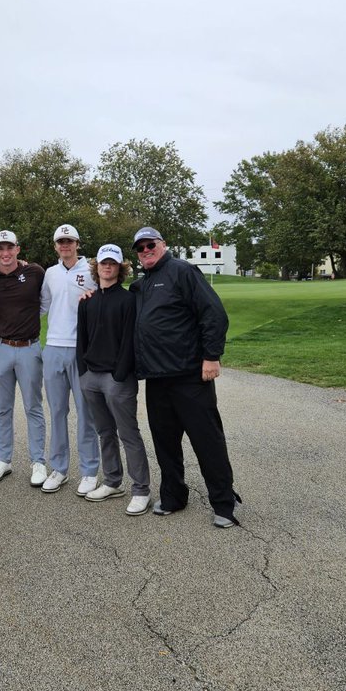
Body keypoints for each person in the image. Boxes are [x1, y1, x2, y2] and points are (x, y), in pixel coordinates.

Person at [130, 226, 241, 529]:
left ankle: (223, 504)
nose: (145, 251)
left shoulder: (182, 271)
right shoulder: (141, 285)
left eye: (150, 244)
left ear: (162, 244)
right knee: (165, 443)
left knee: (207, 441)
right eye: (139, 248)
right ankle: (173, 496)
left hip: (190, 376)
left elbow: (214, 314)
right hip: (157, 378)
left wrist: (211, 355)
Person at [77, 244, 152, 515]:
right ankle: (112, 481)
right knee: (105, 432)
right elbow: (81, 340)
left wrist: (120, 374)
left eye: (112, 263)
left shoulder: (128, 300)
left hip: (117, 378)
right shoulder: (87, 301)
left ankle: (141, 489)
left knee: (128, 433)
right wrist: (83, 372)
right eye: (103, 263)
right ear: (96, 267)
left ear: (120, 268)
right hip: (91, 377)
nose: (107, 267)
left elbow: (131, 341)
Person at [39, 223, 100, 495]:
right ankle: (59, 469)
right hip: (53, 347)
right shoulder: (50, 273)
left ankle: (89, 471)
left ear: (77, 244)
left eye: (70, 241)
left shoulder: (92, 271)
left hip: (82, 350)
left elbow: (105, 300)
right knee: (57, 412)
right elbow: (42, 305)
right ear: (55, 246)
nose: (65, 246)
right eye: (61, 242)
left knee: (86, 413)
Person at [0, 230, 46, 485]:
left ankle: (38, 462)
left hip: (29, 347)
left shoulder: (35, 272)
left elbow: (46, 302)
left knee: (33, 407)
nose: (5, 253)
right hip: (1, 348)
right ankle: (3, 460)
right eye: (0, 249)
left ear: (18, 250)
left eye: (10, 248)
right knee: (3, 409)